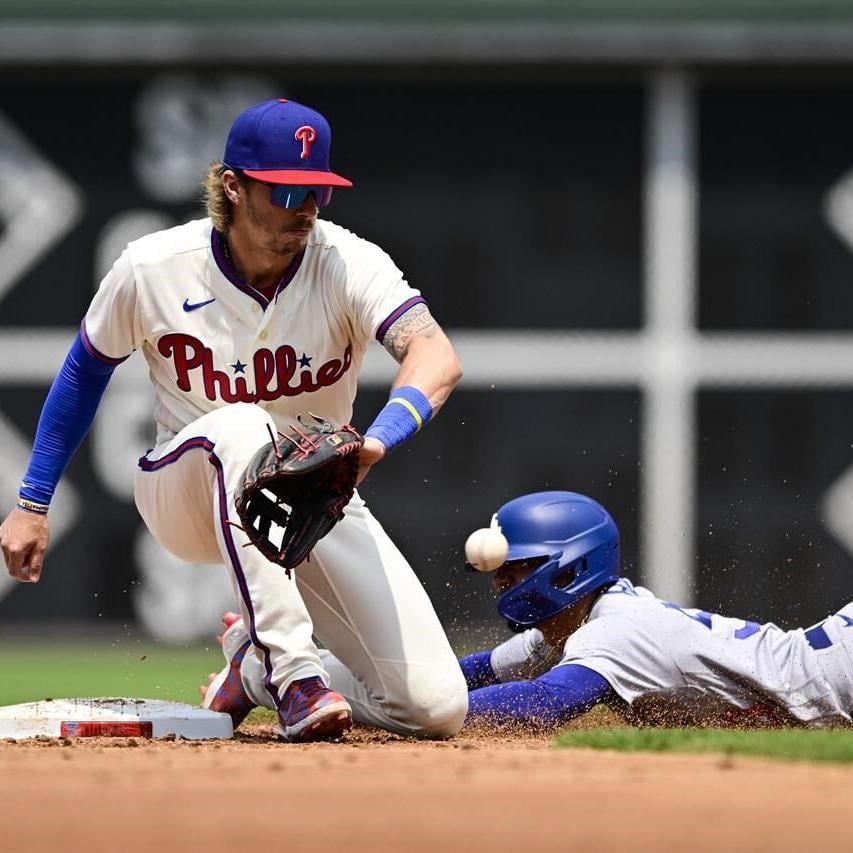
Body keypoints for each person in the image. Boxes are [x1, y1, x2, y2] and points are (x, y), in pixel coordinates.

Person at [0, 98, 468, 742]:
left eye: (317, 192)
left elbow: (435, 355)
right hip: (188, 487)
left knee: (436, 706)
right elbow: (85, 371)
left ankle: (253, 671)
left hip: (315, 499)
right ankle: (297, 677)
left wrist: (380, 439)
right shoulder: (153, 266)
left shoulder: (347, 261)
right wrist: (32, 501)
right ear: (233, 187)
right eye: (286, 191)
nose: (304, 208)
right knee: (247, 427)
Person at [457, 491, 853, 729]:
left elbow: (547, 703)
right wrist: (401, 689)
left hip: (839, 673)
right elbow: (472, 674)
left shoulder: (613, 631)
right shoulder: (567, 630)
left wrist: (430, 713)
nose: (500, 581)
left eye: (518, 566)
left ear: (569, 567)